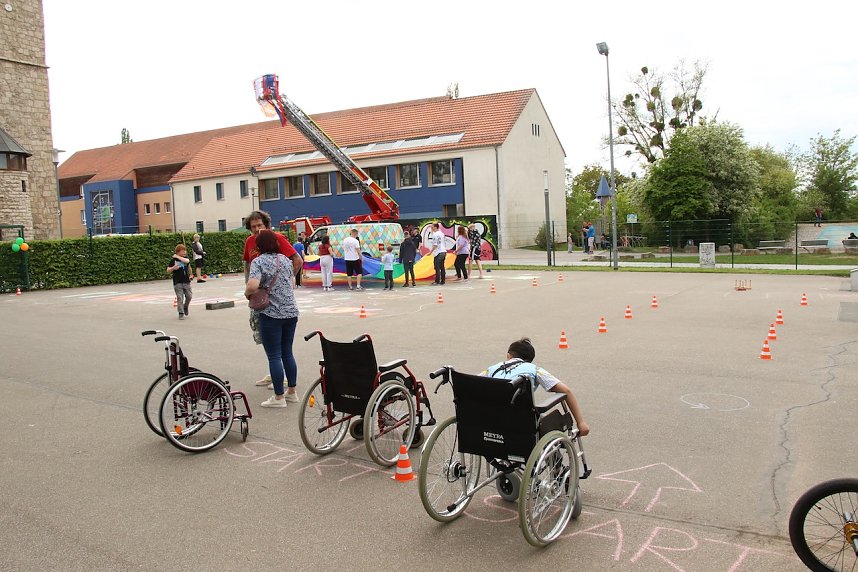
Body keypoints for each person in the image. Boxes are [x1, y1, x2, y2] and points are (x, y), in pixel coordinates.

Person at [482, 338, 589, 437]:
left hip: (488, 421)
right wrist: (581, 423)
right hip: (520, 423)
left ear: (508, 356)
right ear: (530, 360)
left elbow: (473, 384)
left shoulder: (492, 369)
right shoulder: (534, 370)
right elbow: (566, 391)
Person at [243, 210, 301, 388]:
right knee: (269, 341)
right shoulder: (250, 242)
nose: (256, 229)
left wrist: (287, 281)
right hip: (263, 299)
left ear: (267, 225)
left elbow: (297, 260)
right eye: (253, 227)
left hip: (274, 303)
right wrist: (249, 288)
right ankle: (277, 374)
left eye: (259, 225)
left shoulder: (277, 239)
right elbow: (247, 264)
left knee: (278, 347)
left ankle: (280, 380)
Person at [167, 244, 192, 320]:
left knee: (189, 296)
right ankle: (181, 312)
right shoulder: (173, 261)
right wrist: (173, 268)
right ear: (178, 251)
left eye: (185, 250)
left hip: (186, 281)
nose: (185, 252)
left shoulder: (185, 258)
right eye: (183, 250)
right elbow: (168, 270)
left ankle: (185, 306)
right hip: (177, 282)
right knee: (180, 297)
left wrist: (177, 256)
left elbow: (187, 261)